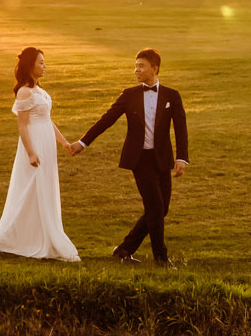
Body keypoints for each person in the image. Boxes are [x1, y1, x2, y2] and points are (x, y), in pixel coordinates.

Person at [71, 48, 188, 265]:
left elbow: (181, 128)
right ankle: (161, 258)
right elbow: (106, 120)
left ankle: (125, 248)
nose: (136, 70)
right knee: (155, 207)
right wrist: (83, 142)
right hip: (139, 160)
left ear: (155, 68)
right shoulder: (129, 95)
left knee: (162, 209)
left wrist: (182, 158)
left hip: (162, 158)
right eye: (135, 66)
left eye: (141, 66)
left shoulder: (172, 96)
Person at [0, 47, 81, 261]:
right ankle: (23, 236)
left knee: (45, 186)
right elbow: (23, 126)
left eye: (44, 62)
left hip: (46, 142)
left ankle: (43, 230)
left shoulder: (40, 90)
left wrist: (63, 142)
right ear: (30, 65)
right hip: (34, 144)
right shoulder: (25, 91)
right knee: (31, 187)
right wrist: (31, 153)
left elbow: (47, 120)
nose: (44, 66)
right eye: (41, 62)